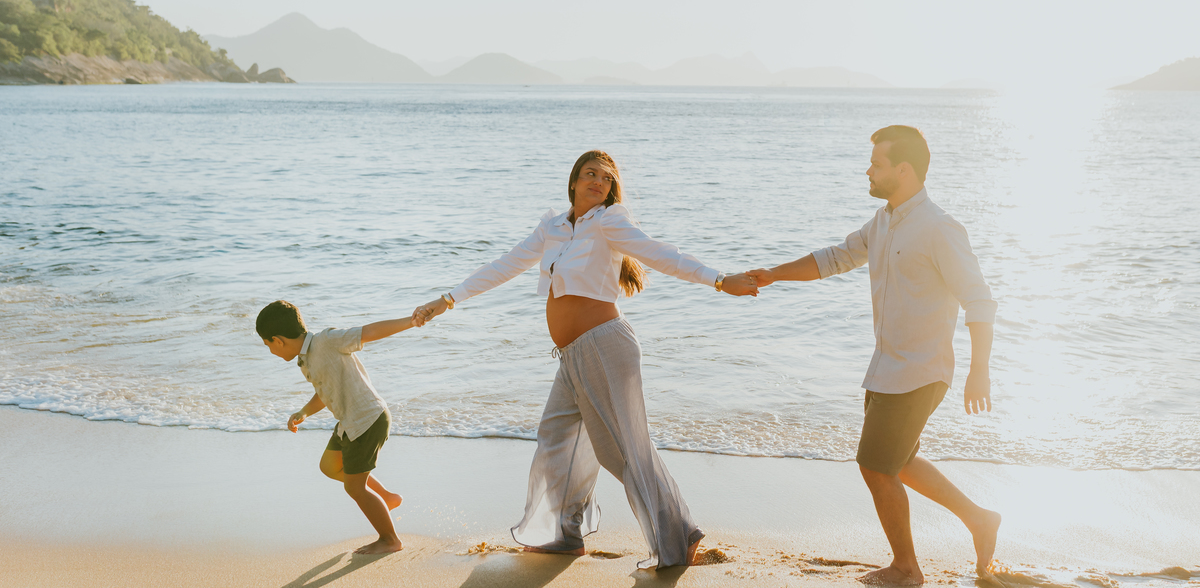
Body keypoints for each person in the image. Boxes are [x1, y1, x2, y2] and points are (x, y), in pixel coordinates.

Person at [412, 150, 758, 569]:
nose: (598, 181)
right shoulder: (553, 226)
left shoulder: (609, 221)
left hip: (605, 346)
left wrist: (720, 280)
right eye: (590, 174)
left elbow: (660, 253)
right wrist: (447, 299)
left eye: (607, 178)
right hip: (573, 355)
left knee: (624, 450)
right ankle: (563, 535)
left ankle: (678, 537)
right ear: (573, 181)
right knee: (557, 439)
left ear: (612, 189)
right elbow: (504, 264)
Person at [749, 125, 1001, 585]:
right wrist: (773, 274)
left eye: (877, 164)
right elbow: (835, 258)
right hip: (885, 368)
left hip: (921, 371)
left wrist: (979, 370)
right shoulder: (883, 221)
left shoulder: (940, 228)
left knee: (875, 465)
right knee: (899, 460)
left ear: (903, 170)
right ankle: (980, 519)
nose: (868, 170)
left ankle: (907, 569)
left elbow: (979, 300)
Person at [257, 299, 425, 555]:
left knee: (354, 487)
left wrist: (410, 322)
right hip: (349, 423)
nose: (270, 351)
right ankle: (386, 499)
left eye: (267, 344)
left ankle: (390, 539)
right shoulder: (305, 360)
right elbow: (324, 392)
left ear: (278, 340)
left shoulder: (326, 341)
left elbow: (368, 332)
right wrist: (303, 412)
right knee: (329, 466)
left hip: (367, 420)